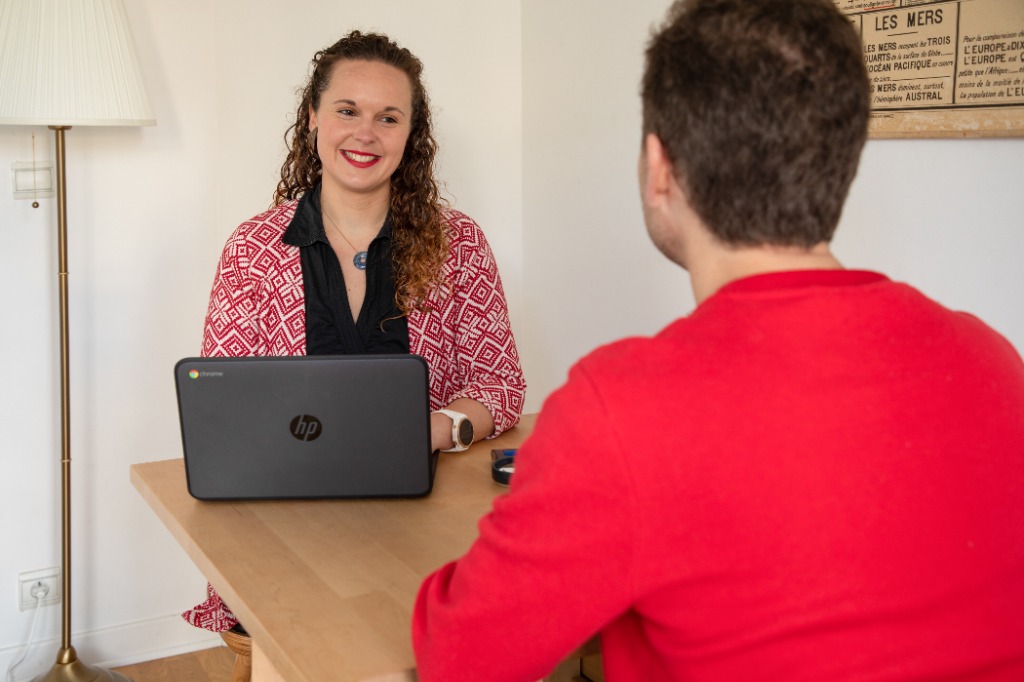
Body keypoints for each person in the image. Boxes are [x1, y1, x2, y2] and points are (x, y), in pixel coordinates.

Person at [412, 0, 1024, 680]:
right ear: (843, 158)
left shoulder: (620, 411)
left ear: (659, 167)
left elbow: (458, 655)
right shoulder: (992, 360)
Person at [182, 30, 525, 633]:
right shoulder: (253, 251)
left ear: (410, 135)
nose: (366, 133)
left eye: (388, 117)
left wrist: (437, 429)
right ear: (313, 118)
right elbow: (226, 410)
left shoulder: (459, 243)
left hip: (429, 524)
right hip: (288, 525)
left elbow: (500, 386)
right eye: (347, 110)